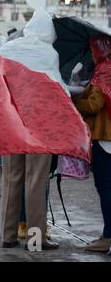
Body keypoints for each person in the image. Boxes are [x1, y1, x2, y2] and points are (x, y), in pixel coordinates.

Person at [74, 36, 111, 253]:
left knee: (106, 188)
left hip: (105, 138)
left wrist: (71, 100)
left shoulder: (105, 70)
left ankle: (108, 236)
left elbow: (94, 105)